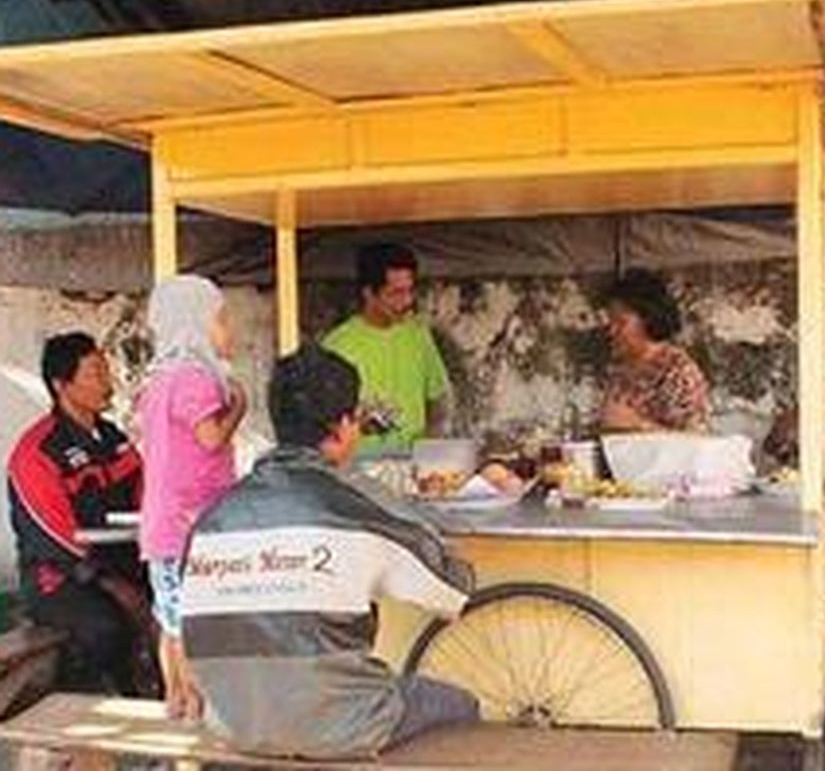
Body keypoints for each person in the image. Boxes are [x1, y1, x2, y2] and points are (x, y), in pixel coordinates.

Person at [180, 345, 478, 760]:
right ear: (342, 426)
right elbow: (452, 591)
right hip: (340, 725)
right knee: (462, 706)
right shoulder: (355, 505)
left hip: (233, 725)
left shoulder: (212, 520)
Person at [7, 332, 149, 694]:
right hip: (60, 579)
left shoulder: (113, 438)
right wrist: (112, 584)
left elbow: (145, 496)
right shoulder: (36, 452)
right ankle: (79, 705)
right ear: (61, 385)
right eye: (95, 372)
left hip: (122, 564)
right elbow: (53, 539)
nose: (108, 381)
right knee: (106, 628)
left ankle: (155, 701)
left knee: (175, 611)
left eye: (106, 371)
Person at [137, 275, 246, 720]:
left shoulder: (158, 381)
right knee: (193, 622)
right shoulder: (195, 379)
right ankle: (198, 704)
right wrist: (238, 406)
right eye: (221, 320)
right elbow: (210, 437)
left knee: (170, 619)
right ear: (195, 325)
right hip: (190, 525)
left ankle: (176, 699)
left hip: (165, 525)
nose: (228, 331)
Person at [323, 244, 449, 452]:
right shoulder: (337, 345)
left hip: (413, 467)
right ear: (369, 293)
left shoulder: (418, 335)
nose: (407, 301)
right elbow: (324, 422)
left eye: (410, 290)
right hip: (358, 469)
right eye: (396, 293)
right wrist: (361, 426)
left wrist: (427, 450)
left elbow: (437, 402)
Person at [599, 270, 710, 433]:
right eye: (610, 320)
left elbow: (694, 442)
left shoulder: (677, 372)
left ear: (648, 319)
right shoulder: (619, 368)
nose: (611, 330)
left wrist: (638, 424)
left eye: (621, 322)